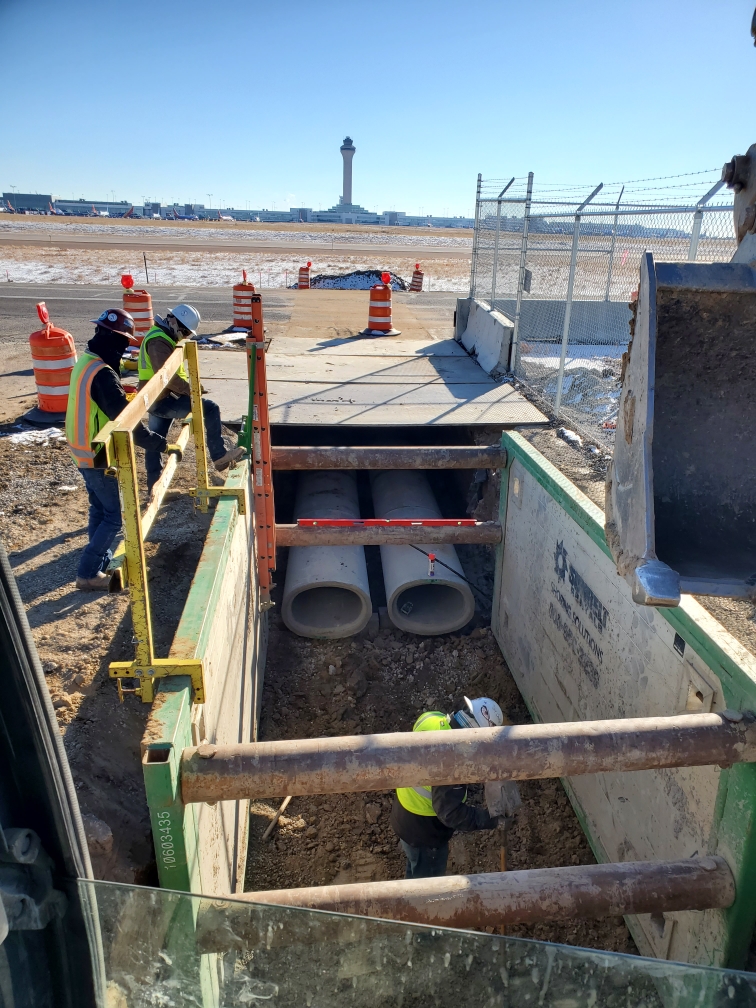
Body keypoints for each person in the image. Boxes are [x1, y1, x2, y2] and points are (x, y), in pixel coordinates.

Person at [65, 308, 180, 591]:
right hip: (97, 454)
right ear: (115, 340)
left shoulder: (87, 362)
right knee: (114, 517)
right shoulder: (103, 375)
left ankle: (99, 565)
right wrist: (162, 444)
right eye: (123, 343)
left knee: (100, 510)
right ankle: (88, 573)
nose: (124, 349)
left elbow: (101, 404)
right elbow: (129, 424)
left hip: (81, 448)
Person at [390, 696, 510, 879]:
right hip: (425, 831)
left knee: (416, 865)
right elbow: (451, 813)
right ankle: (421, 905)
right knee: (427, 883)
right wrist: (491, 820)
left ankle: (411, 888)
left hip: (405, 811)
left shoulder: (431, 719)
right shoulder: (452, 762)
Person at [137, 303, 244, 492]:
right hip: (161, 399)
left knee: (155, 441)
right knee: (210, 408)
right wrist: (191, 390)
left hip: (156, 398)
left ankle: (154, 487)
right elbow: (166, 376)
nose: (185, 337)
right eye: (185, 332)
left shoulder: (163, 337)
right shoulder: (158, 342)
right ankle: (219, 456)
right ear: (175, 323)